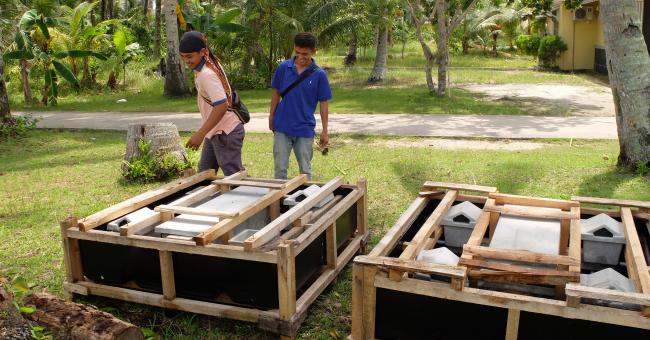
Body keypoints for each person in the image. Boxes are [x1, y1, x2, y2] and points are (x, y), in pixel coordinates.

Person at [179, 31, 245, 176]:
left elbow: (221, 106)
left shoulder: (206, 74)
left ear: (203, 52)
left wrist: (200, 133)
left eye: (190, 56)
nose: (186, 60)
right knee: (204, 175)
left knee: (235, 178)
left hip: (225, 132)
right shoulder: (208, 63)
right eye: (183, 56)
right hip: (214, 130)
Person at [269, 32, 332, 180]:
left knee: (305, 171)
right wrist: (271, 116)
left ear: (314, 51)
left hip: (304, 128)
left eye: (305, 54)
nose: (301, 57)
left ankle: (306, 202)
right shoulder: (283, 68)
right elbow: (276, 93)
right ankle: (279, 202)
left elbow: (324, 103)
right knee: (280, 169)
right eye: (297, 53)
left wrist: (325, 131)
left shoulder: (320, 75)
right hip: (282, 126)